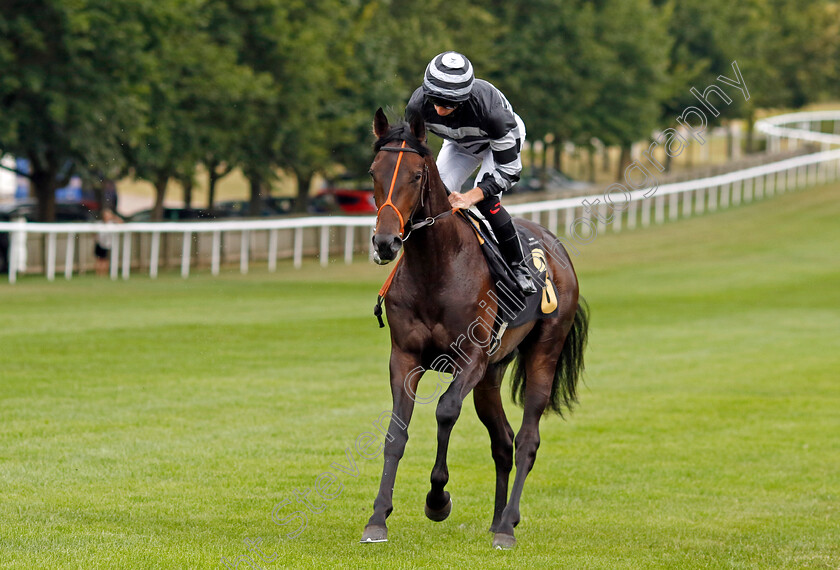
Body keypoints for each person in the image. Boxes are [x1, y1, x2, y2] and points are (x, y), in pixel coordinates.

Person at [405, 51, 537, 295]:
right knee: (430, 197)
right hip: (459, 144)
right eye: (434, 99)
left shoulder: (494, 114)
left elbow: (510, 172)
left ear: (463, 98)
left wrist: (471, 196)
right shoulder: (417, 105)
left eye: (447, 104)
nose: (439, 108)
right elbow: (414, 154)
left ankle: (519, 267)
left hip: (498, 143)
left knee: (486, 202)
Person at [95, 209, 121, 276]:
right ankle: (98, 273)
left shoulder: (112, 224)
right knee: (98, 259)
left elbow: (121, 223)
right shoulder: (99, 223)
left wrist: (114, 218)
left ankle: (104, 273)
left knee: (105, 259)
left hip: (107, 244)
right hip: (100, 243)